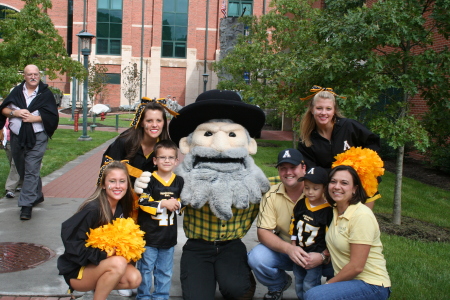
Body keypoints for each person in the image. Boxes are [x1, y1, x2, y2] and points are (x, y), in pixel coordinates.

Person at [166, 89, 270, 299]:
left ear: (250, 145)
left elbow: (284, 192)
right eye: (208, 134)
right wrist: (146, 185)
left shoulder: (254, 179)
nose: (221, 146)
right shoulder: (182, 178)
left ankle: (239, 277)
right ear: (187, 144)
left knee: (236, 290)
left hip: (231, 246)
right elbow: (159, 189)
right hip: (197, 247)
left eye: (232, 134)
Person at [57, 161, 142, 300]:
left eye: (122, 181)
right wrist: (105, 254)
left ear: (128, 184)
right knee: (118, 263)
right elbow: (71, 241)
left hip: (100, 265)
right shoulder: (93, 209)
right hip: (78, 270)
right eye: (112, 181)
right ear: (103, 184)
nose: (118, 186)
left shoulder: (121, 207)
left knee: (134, 279)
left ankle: (100, 286)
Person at [304, 165, 391, 300]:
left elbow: (356, 267)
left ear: (355, 189)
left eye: (344, 183)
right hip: (348, 278)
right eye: (333, 182)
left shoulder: (361, 216)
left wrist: (328, 285)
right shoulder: (334, 211)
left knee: (315, 296)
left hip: (371, 285)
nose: (337, 187)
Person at [297, 87, 381, 209]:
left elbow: (373, 143)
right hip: (331, 192)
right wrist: (334, 177)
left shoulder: (349, 126)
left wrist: (364, 167)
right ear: (312, 110)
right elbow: (312, 170)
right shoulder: (307, 139)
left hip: (360, 189)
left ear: (334, 110)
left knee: (360, 224)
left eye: (328, 109)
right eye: (319, 108)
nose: (323, 113)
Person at [0, 65, 59, 220]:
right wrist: (15, 112)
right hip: (17, 136)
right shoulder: (17, 92)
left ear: (39, 75)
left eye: (36, 74)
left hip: (38, 136)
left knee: (31, 167)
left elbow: (52, 116)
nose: (33, 77)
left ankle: (26, 206)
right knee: (22, 168)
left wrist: (35, 118)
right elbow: (3, 109)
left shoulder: (45, 94)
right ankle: (37, 194)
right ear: (24, 76)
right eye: (30, 74)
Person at [135, 140, 184, 300]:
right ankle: (143, 296)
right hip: (149, 236)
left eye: (171, 157)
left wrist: (179, 204)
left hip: (168, 237)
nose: (167, 161)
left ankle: (161, 296)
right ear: (155, 160)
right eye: (162, 157)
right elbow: (142, 202)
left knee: (165, 271)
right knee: (146, 269)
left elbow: (184, 204)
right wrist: (163, 203)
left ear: (176, 161)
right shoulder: (149, 180)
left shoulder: (179, 181)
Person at [102, 97, 173, 187]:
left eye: (159, 120)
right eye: (149, 121)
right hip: (122, 196)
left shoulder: (166, 147)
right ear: (142, 123)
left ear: (164, 123)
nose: (155, 125)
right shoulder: (124, 142)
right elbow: (107, 172)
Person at [289, 166, 333, 300]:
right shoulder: (301, 203)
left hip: (314, 255)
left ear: (324, 188)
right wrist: (293, 244)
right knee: (299, 280)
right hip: (299, 252)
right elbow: (293, 224)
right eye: (307, 187)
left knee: (310, 284)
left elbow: (330, 236)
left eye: (315, 188)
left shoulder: (328, 211)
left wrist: (325, 254)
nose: (310, 192)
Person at [1, 118, 22, 198]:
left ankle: (10, 188)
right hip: (8, 142)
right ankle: (21, 183)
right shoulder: (6, 111)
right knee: (13, 164)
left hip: (20, 141)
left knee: (15, 164)